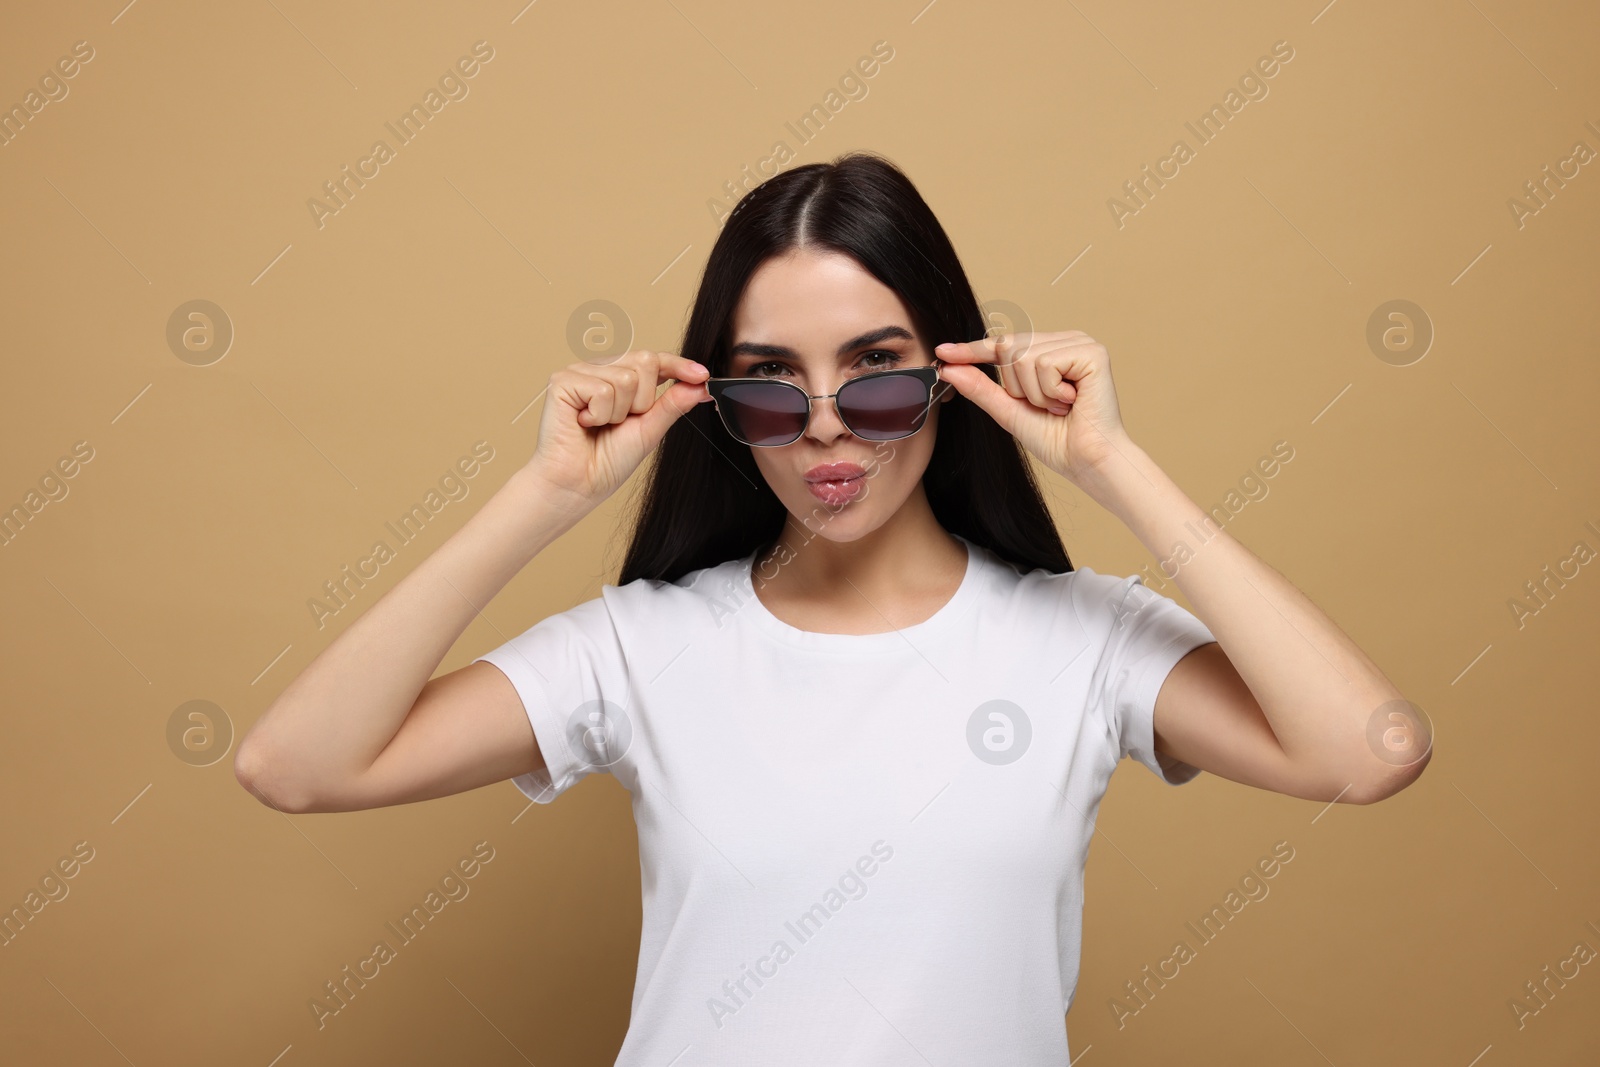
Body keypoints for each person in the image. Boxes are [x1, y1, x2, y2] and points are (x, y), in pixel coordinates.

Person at [234, 151, 1429, 1065]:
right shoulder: (644, 646)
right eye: (769, 387)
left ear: (954, 375)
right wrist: (542, 494)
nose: (822, 425)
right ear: (719, 402)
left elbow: (1370, 750)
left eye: (878, 372)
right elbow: (294, 765)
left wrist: (1111, 465)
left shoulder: (1085, 637)